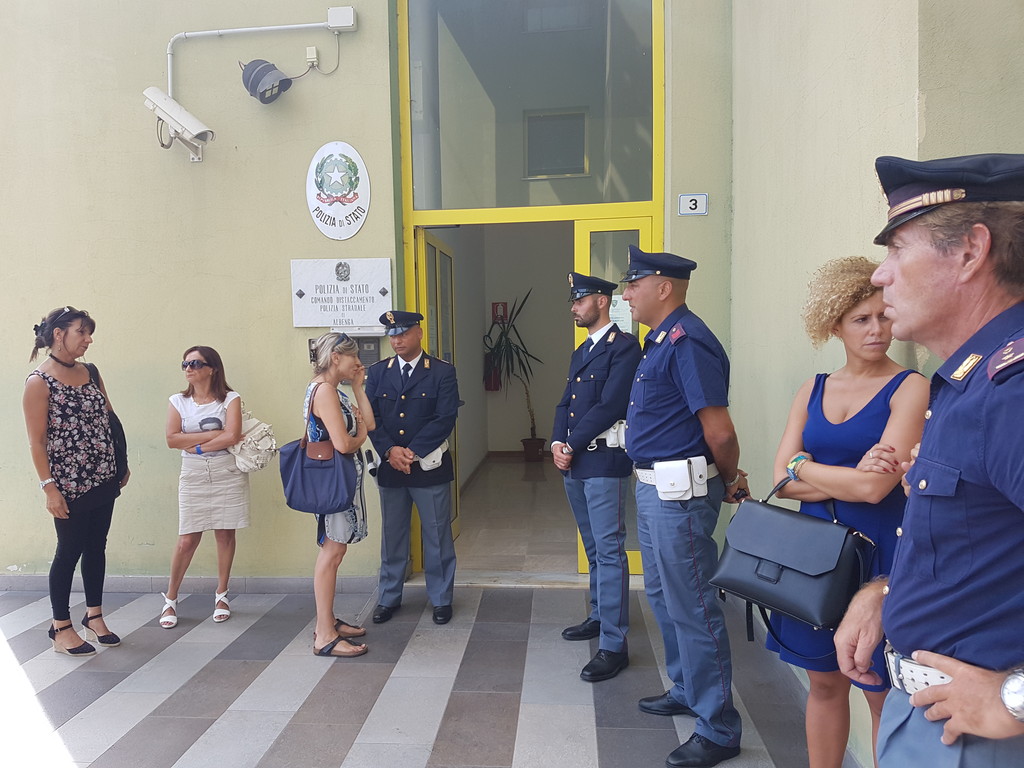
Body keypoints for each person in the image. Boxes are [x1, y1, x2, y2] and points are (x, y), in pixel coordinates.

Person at [835, 153, 1024, 765]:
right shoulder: (970, 380)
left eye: (897, 249)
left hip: (978, 738)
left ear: (970, 252)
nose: (882, 274)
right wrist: (888, 590)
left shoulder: (1012, 392)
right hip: (926, 713)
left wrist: (1016, 699)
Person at [768, 257, 928, 768]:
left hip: (879, 556)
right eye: (861, 319)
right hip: (812, 557)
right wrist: (840, 475)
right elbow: (780, 481)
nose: (877, 329)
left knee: (878, 688)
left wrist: (805, 466)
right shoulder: (812, 387)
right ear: (835, 325)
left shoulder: (910, 386)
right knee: (823, 683)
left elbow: (877, 489)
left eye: (884, 316)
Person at [621, 246, 749, 768]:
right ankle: (686, 687)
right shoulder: (658, 341)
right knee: (663, 596)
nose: (626, 295)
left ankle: (718, 727)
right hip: (653, 489)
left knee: (693, 607)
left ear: (663, 287)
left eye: (633, 285)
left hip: (681, 496)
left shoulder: (687, 341)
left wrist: (729, 478)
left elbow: (720, 432)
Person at [550, 271, 641, 682]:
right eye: (573, 301)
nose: (574, 308)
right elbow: (565, 402)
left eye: (580, 300)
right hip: (576, 462)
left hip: (604, 460)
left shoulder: (624, 348)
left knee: (609, 550)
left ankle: (614, 644)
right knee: (593, 548)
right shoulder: (581, 351)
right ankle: (600, 614)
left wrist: (571, 443)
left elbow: (610, 405)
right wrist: (557, 441)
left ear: (602, 301)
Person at [23, 306, 129, 655]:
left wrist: (121, 462)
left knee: (97, 545)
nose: (88, 339)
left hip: (104, 475)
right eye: (82, 332)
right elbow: (37, 442)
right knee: (69, 551)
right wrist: (49, 488)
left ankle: (94, 616)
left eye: (89, 333)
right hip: (68, 484)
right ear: (59, 334)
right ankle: (60, 627)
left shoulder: (91, 372)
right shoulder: (39, 382)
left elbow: (110, 418)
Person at [364, 310, 460, 625]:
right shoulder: (378, 372)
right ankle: (388, 597)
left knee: (437, 534)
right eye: (392, 335)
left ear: (419, 333)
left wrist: (412, 451)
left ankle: (441, 598)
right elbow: (371, 418)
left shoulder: (442, 372)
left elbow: (445, 417)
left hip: (429, 466)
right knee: (393, 535)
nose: (397, 340)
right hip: (391, 466)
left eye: (403, 333)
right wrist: (390, 450)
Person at [159, 346, 248, 628]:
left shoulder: (230, 399)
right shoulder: (178, 401)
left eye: (196, 364)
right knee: (187, 539)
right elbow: (172, 440)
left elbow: (233, 436)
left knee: (225, 534)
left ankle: (222, 595)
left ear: (212, 369)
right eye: (185, 363)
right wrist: (215, 435)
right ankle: (171, 598)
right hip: (193, 474)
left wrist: (196, 444)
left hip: (227, 471)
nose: (189, 368)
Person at [305, 332, 372, 657]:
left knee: (335, 551)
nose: (357, 362)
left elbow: (369, 422)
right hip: (334, 484)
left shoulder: (334, 390)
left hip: (340, 482)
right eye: (352, 356)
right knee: (331, 553)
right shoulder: (325, 392)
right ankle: (324, 635)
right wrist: (360, 434)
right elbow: (344, 444)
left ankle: (328, 621)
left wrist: (358, 386)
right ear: (335, 357)